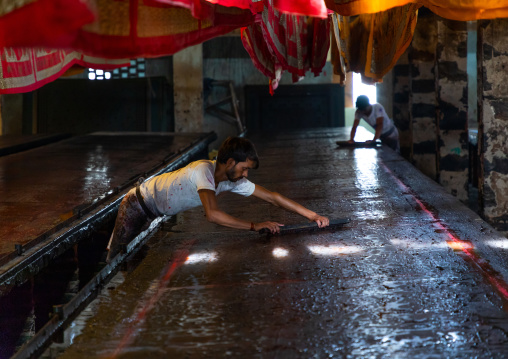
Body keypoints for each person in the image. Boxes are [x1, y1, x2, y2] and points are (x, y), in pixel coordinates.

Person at [106, 137, 330, 261]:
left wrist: (313, 215)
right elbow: (212, 215)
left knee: (130, 256)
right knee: (115, 257)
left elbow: (272, 197)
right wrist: (255, 226)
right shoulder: (204, 171)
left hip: (154, 211)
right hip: (136, 204)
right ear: (230, 163)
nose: (245, 175)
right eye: (244, 169)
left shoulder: (230, 180)